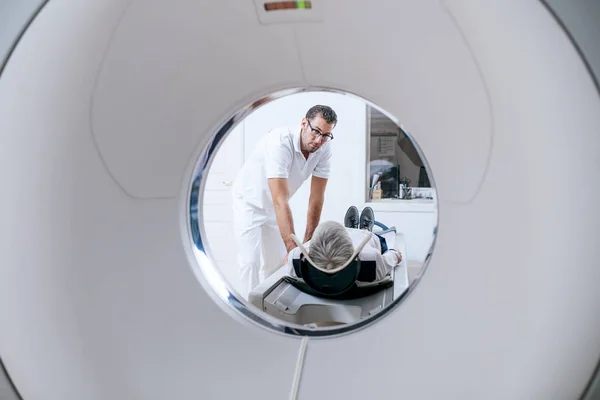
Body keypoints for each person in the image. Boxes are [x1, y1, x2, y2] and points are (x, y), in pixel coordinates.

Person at [231, 105, 338, 297]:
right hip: (249, 202)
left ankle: (271, 309)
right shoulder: (280, 142)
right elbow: (280, 199)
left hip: (275, 208)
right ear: (304, 123)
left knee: (277, 264)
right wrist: (292, 248)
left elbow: (316, 199)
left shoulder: (324, 149)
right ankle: (249, 311)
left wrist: (307, 244)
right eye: (316, 131)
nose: (319, 140)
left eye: (326, 135)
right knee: (250, 261)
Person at [285, 206, 403, 281]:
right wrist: (395, 254)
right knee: (365, 236)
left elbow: (289, 259)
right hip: (362, 240)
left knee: (328, 238)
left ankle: (349, 228)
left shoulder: (296, 261)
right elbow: (391, 258)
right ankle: (364, 230)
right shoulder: (370, 260)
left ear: (310, 251)